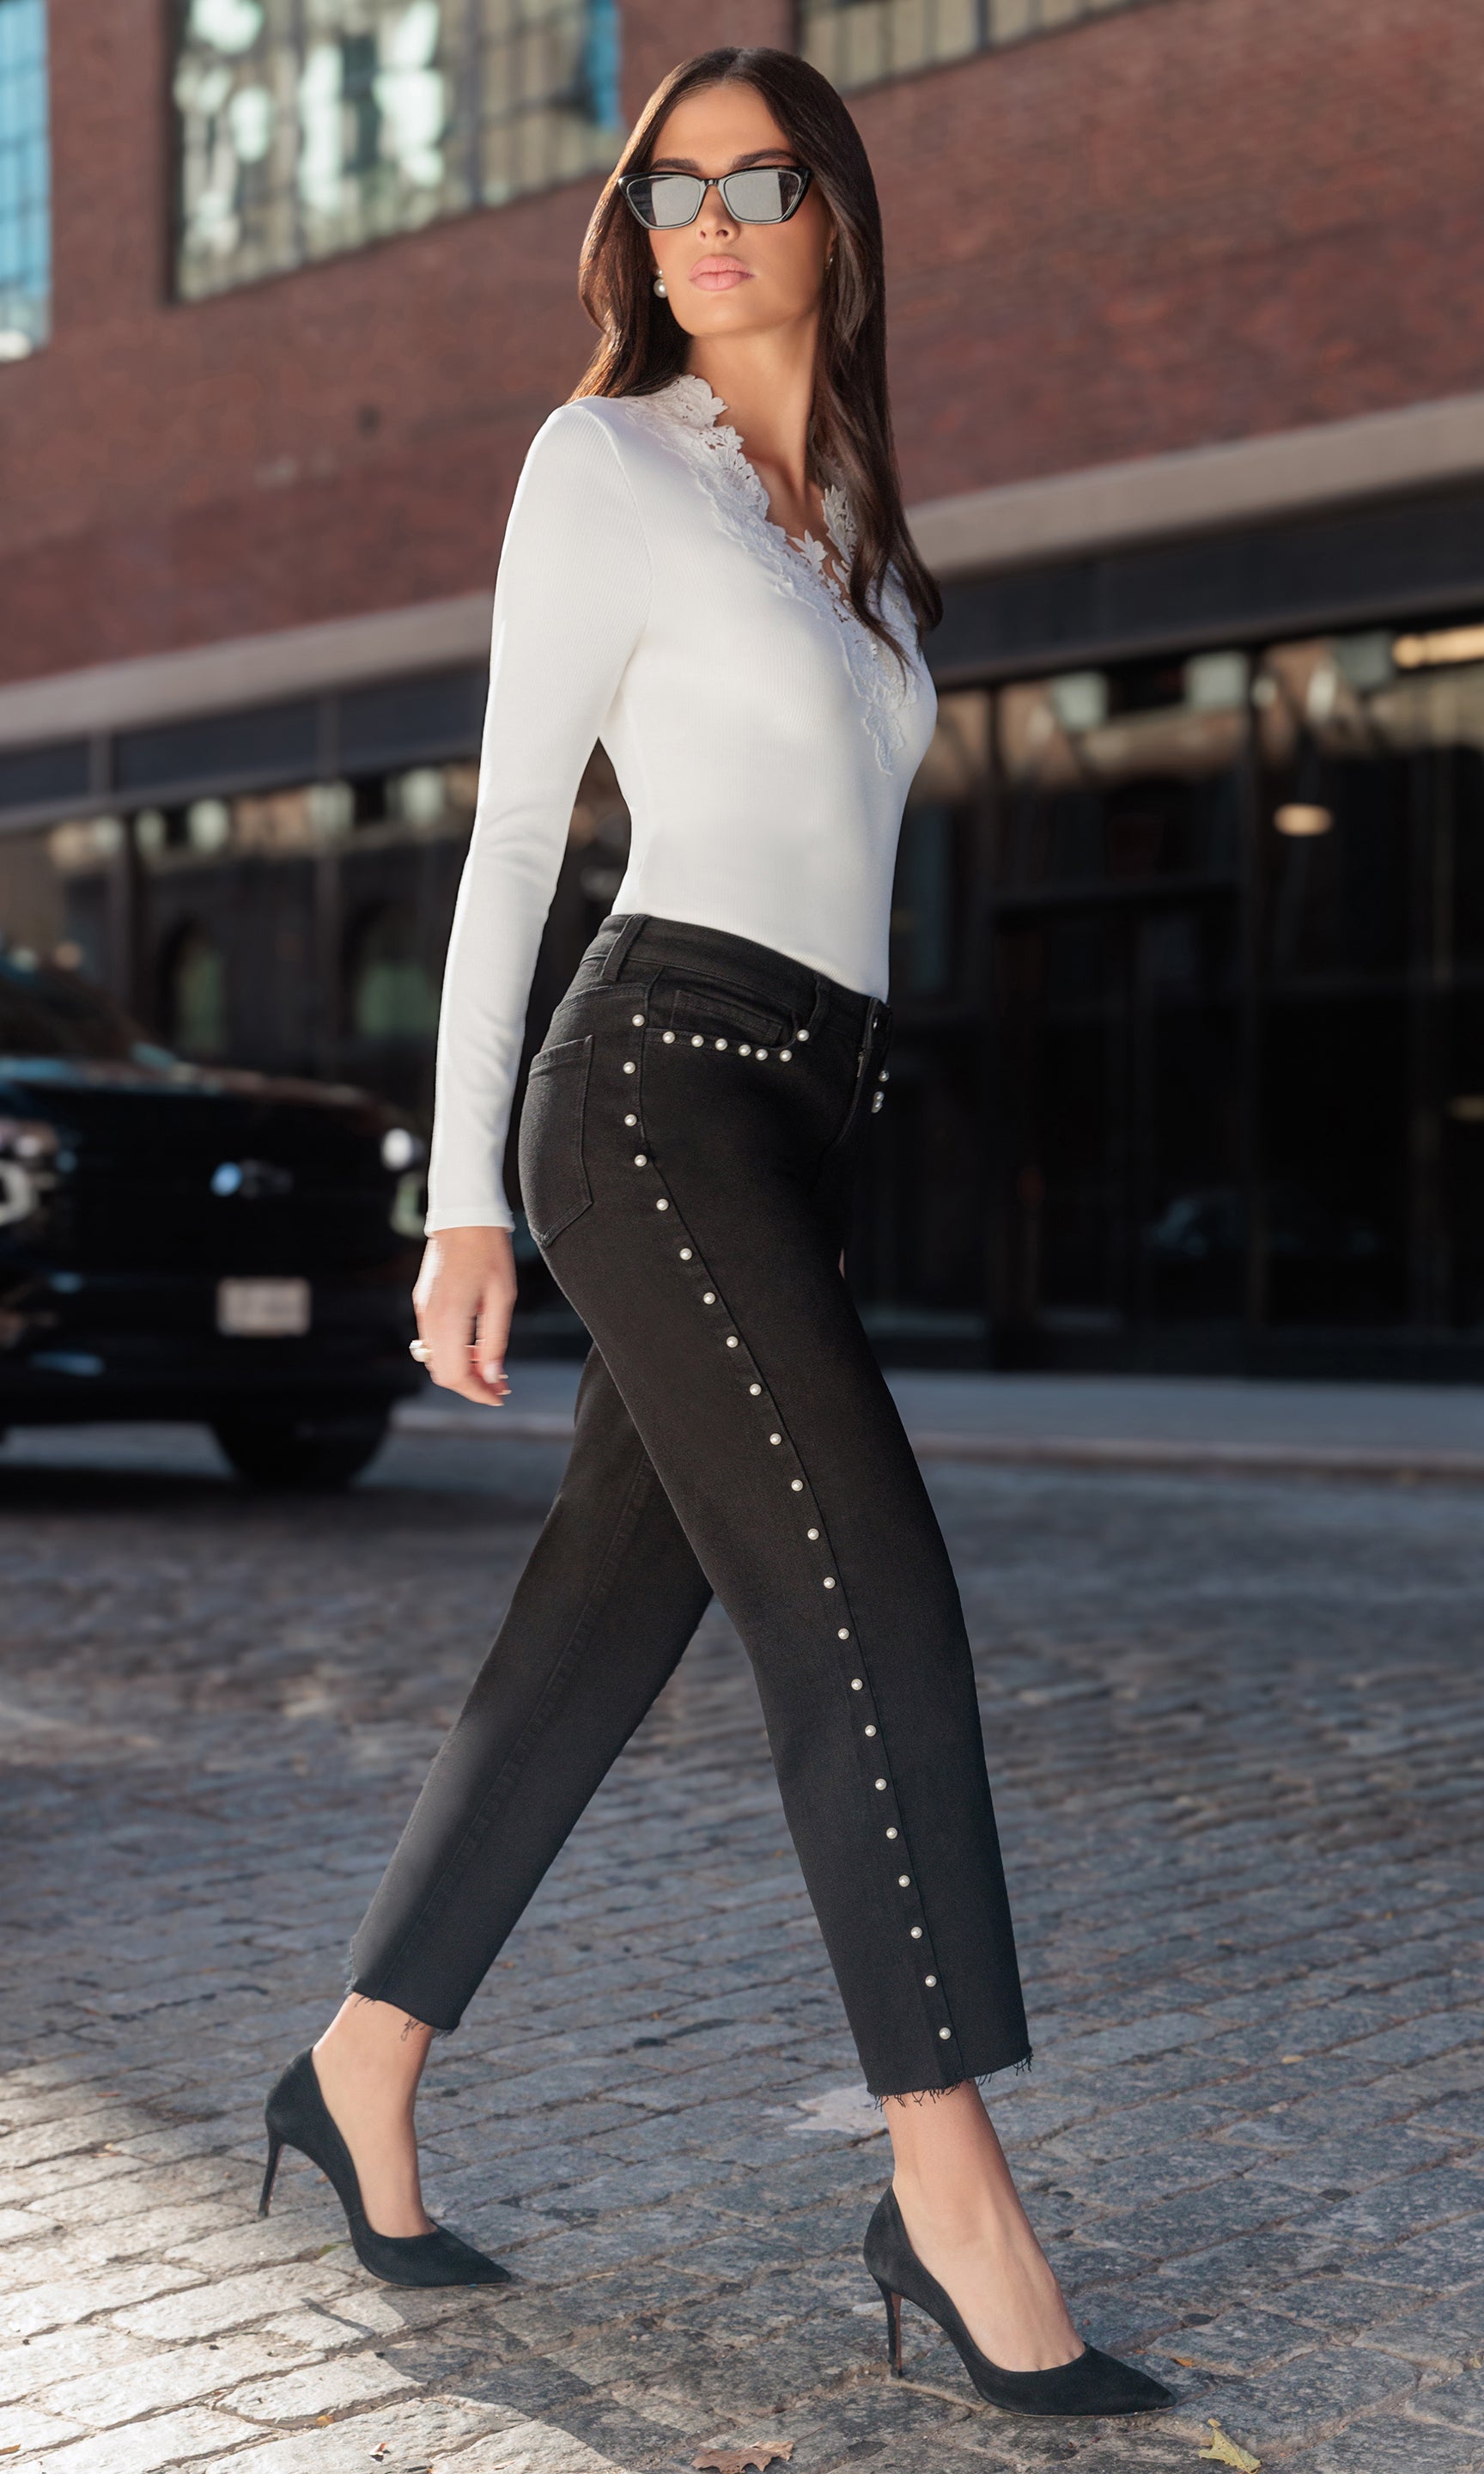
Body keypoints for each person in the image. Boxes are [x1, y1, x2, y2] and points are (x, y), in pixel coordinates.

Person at [259, 47, 1171, 2422]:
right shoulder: (603, 463)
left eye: (762, 182)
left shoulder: (852, 506)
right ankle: (949, 2193)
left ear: (835, 217)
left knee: (592, 1626)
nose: (716, 225)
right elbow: (508, 843)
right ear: (637, 235)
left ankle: (359, 2064)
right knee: (870, 1600)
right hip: (653, 1087)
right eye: (673, 191)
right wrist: (462, 1195)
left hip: (801, 1116)